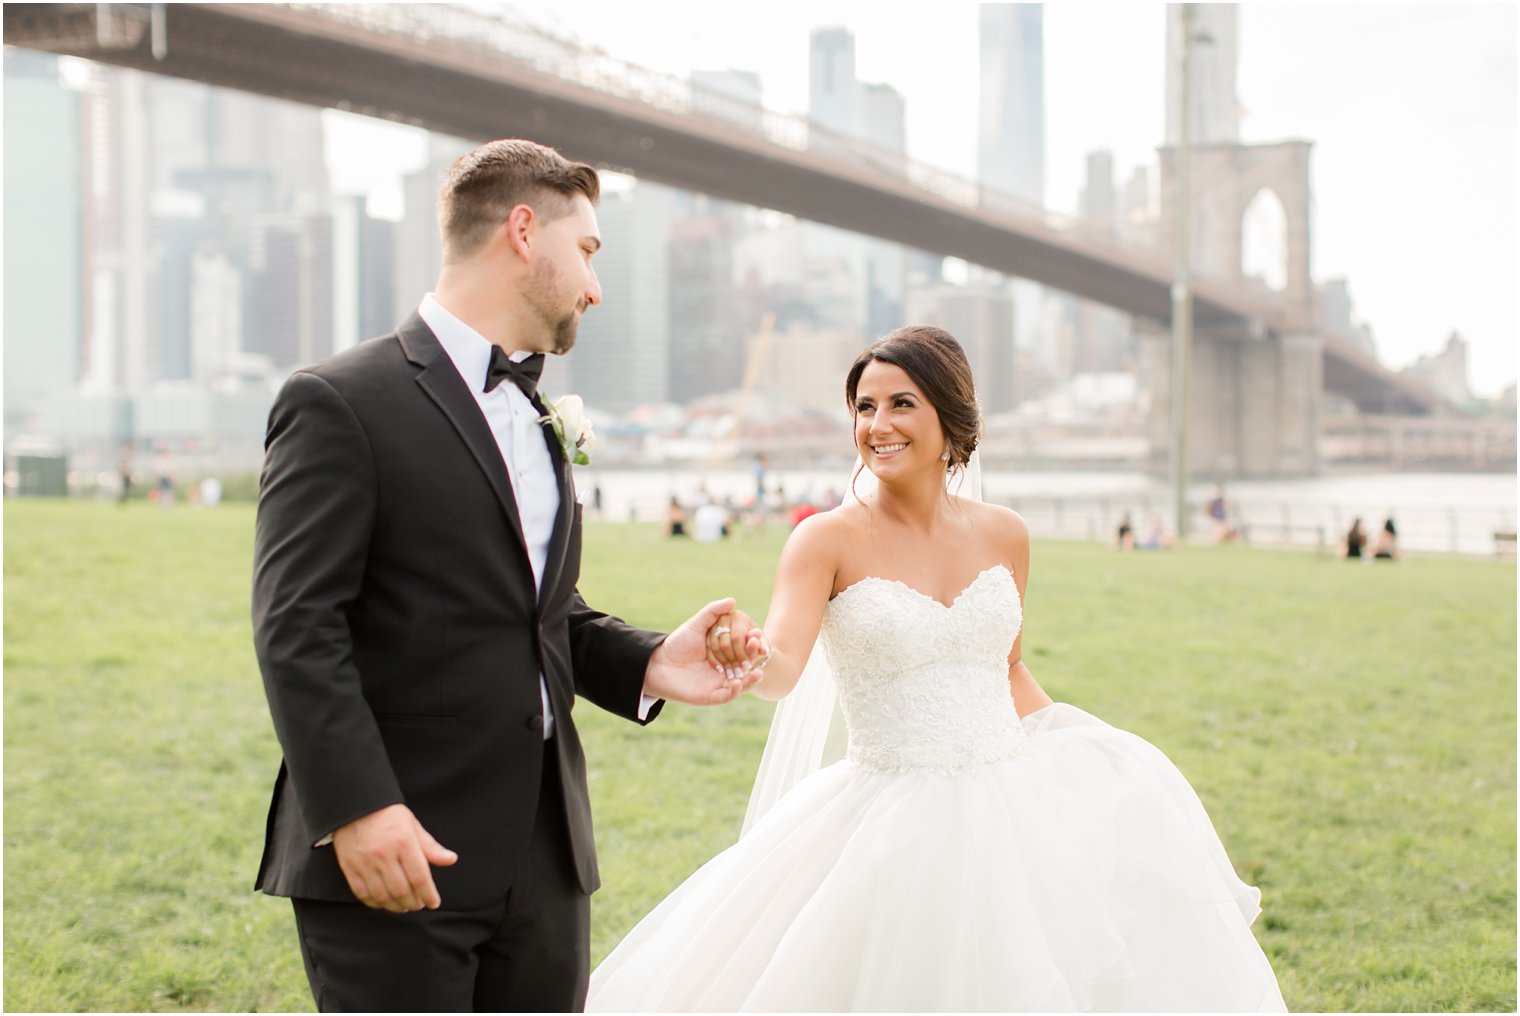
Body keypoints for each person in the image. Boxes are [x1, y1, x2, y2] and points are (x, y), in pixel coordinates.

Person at [589, 326, 1287, 1011]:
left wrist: (1085, 751)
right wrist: (746, 654)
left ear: (949, 419)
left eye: (901, 403)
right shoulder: (824, 539)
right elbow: (782, 670)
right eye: (865, 406)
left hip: (1010, 795)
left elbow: (1005, 668)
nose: (877, 424)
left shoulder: (1005, 532)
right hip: (888, 812)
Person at [251, 139, 766, 1013]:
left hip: (545, 863)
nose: (596, 287)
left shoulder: (535, 411)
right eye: (590, 251)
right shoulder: (339, 401)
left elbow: (535, 612)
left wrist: (646, 661)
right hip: (400, 854)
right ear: (524, 231)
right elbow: (297, 625)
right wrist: (358, 809)